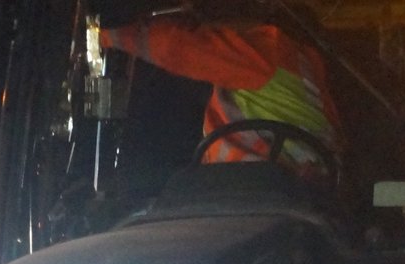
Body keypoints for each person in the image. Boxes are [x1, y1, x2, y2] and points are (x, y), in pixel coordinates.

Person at [99, 17, 341, 170]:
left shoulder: (268, 51)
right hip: (275, 191)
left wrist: (105, 34)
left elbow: (180, 49)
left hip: (261, 194)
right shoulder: (295, 64)